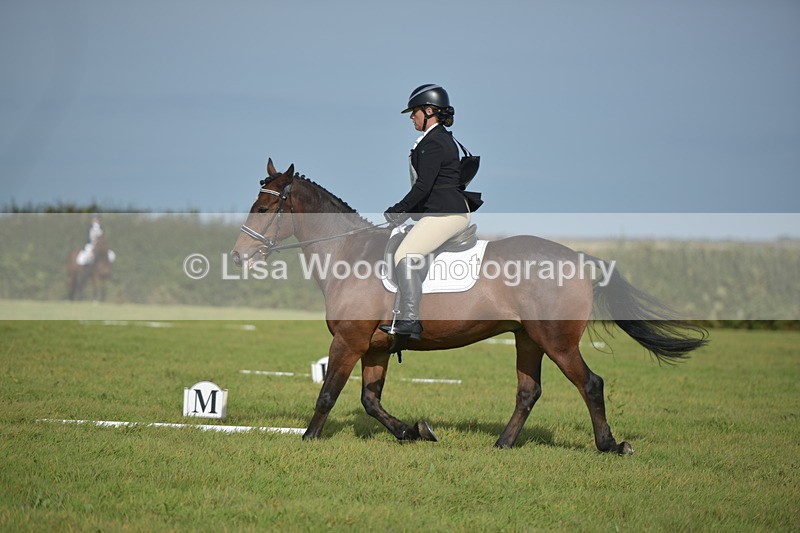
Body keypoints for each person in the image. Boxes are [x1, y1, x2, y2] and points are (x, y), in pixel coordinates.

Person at [380, 84, 483, 340]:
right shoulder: (439, 139)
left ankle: (410, 319)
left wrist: (398, 209)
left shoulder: (434, 142)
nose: (411, 118)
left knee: (404, 255)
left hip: (445, 215)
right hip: (443, 212)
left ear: (428, 111)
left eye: (414, 112)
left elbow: (423, 187)